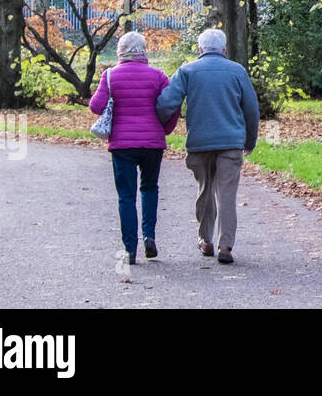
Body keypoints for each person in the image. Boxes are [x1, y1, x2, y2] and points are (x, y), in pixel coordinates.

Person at [156, 28, 260, 265]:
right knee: (226, 194)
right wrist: (249, 140)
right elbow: (252, 110)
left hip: (199, 143)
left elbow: (166, 103)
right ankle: (225, 246)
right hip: (231, 143)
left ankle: (206, 240)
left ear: (200, 49)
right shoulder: (237, 71)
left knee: (205, 189)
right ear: (224, 49)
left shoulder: (187, 71)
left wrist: (162, 125)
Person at [89, 31, 179, 265]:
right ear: (143, 51)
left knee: (126, 196)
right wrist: (165, 130)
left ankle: (130, 248)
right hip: (152, 143)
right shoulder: (158, 76)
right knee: (150, 188)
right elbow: (171, 106)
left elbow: (96, 107)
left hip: (122, 145)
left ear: (120, 52)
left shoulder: (109, 76)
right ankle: (149, 236)